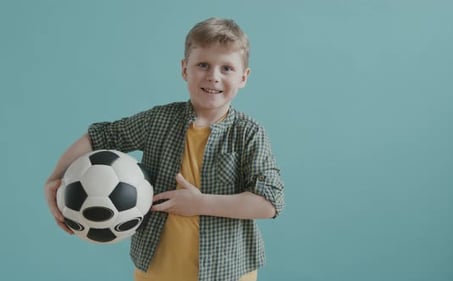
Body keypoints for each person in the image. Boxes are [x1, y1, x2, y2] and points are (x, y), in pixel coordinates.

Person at [44, 17, 285, 281]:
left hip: (227, 271)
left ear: (243, 77)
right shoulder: (159, 120)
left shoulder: (248, 133)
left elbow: (269, 202)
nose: (213, 76)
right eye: (202, 65)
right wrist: (56, 178)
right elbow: (100, 135)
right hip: (157, 269)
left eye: (226, 68)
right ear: (185, 69)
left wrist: (199, 203)